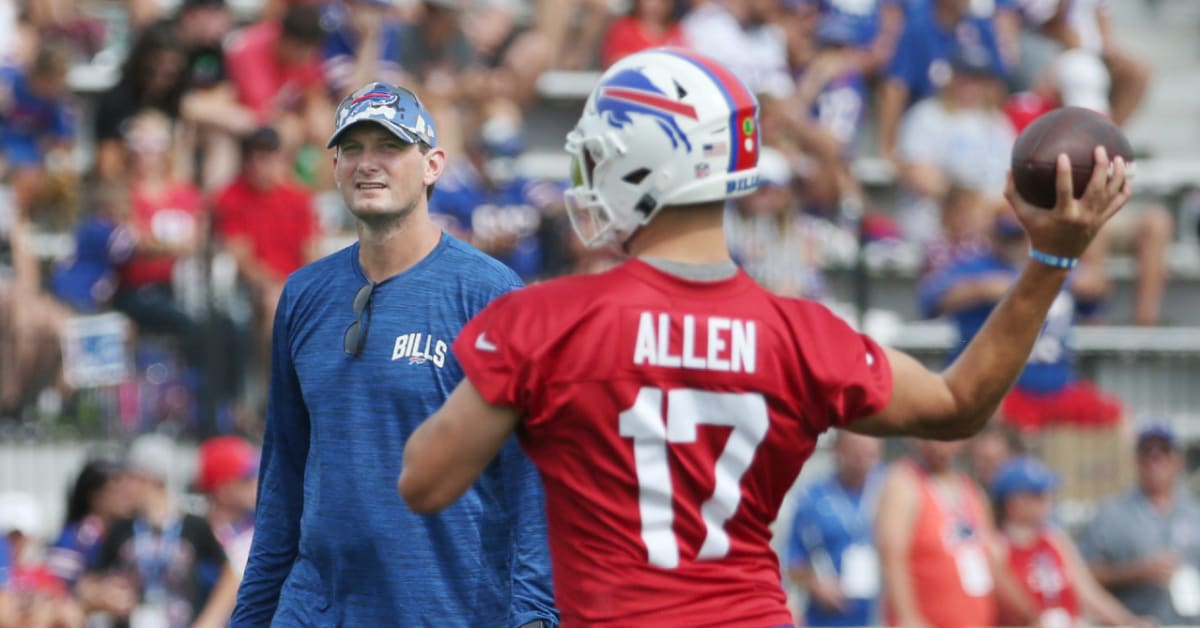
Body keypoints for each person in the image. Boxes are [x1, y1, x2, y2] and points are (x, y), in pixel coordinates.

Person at [397, 46, 1132, 625]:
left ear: (645, 161)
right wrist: (1051, 261)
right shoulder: (800, 333)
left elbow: (425, 483)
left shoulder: (546, 321)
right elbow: (958, 403)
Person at [231, 81, 557, 627]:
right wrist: (252, 616)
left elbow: (532, 476)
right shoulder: (303, 295)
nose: (368, 164)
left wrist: (535, 615)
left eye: (389, 147)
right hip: (315, 607)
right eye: (352, 149)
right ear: (333, 168)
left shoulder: (492, 295)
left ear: (433, 165)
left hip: (447, 607)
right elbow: (283, 479)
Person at [991, 455, 1146, 627]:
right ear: (1015, 503)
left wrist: (1130, 622)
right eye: (1038, 495)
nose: (1047, 501)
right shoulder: (997, 548)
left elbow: (1090, 594)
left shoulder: (1054, 540)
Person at [1079, 424, 1200, 625]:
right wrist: (1137, 571)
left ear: (1178, 460)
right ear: (1136, 460)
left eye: (1163, 451)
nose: (1155, 459)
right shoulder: (1111, 515)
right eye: (1147, 452)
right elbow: (1084, 576)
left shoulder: (1194, 512)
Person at [786, 431, 884, 627]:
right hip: (829, 618)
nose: (862, 459)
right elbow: (792, 561)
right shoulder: (813, 497)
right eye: (855, 450)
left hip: (880, 615)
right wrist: (815, 584)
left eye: (869, 453)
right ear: (838, 450)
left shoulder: (890, 488)